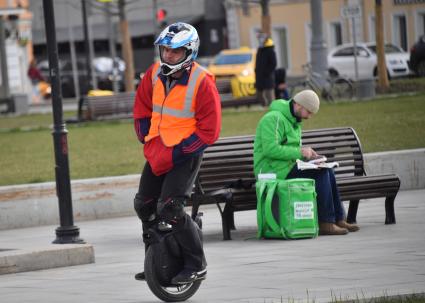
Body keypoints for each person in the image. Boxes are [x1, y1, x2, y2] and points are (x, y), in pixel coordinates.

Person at [132, 22, 221, 284]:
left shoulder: (202, 82)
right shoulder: (153, 73)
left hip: (184, 153)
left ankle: (197, 264)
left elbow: (209, 130)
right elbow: (142, 106)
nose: (168, 56)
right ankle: (157, 262)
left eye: (176, 51)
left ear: (189, 52)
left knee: (170, 208)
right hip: (157, 150)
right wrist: (144, 135)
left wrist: (181, 151)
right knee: (144, 206)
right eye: (165, 50)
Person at [253, 90, 359, 235]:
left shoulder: (294, 121)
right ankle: (326, 223)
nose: (309, 116)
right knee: (321, 173)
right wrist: (301, 152)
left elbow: (291, 150)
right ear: (298, 105)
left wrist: (308, 158)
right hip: (271, 172)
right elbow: (270, 149)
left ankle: (338, 219)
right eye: (308, 112)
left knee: (326, 169)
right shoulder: (273, 119)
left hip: (285, 167)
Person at [255, 34, 277, 107]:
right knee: (259, 94)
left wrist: (266, 72)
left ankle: (272, 109)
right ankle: (264, 106)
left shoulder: (270, 50)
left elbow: (273, 64)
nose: (260, 40)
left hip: (268, 77)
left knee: (270, 95)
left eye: (261, 39)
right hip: (259, 77)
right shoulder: (260, 49)